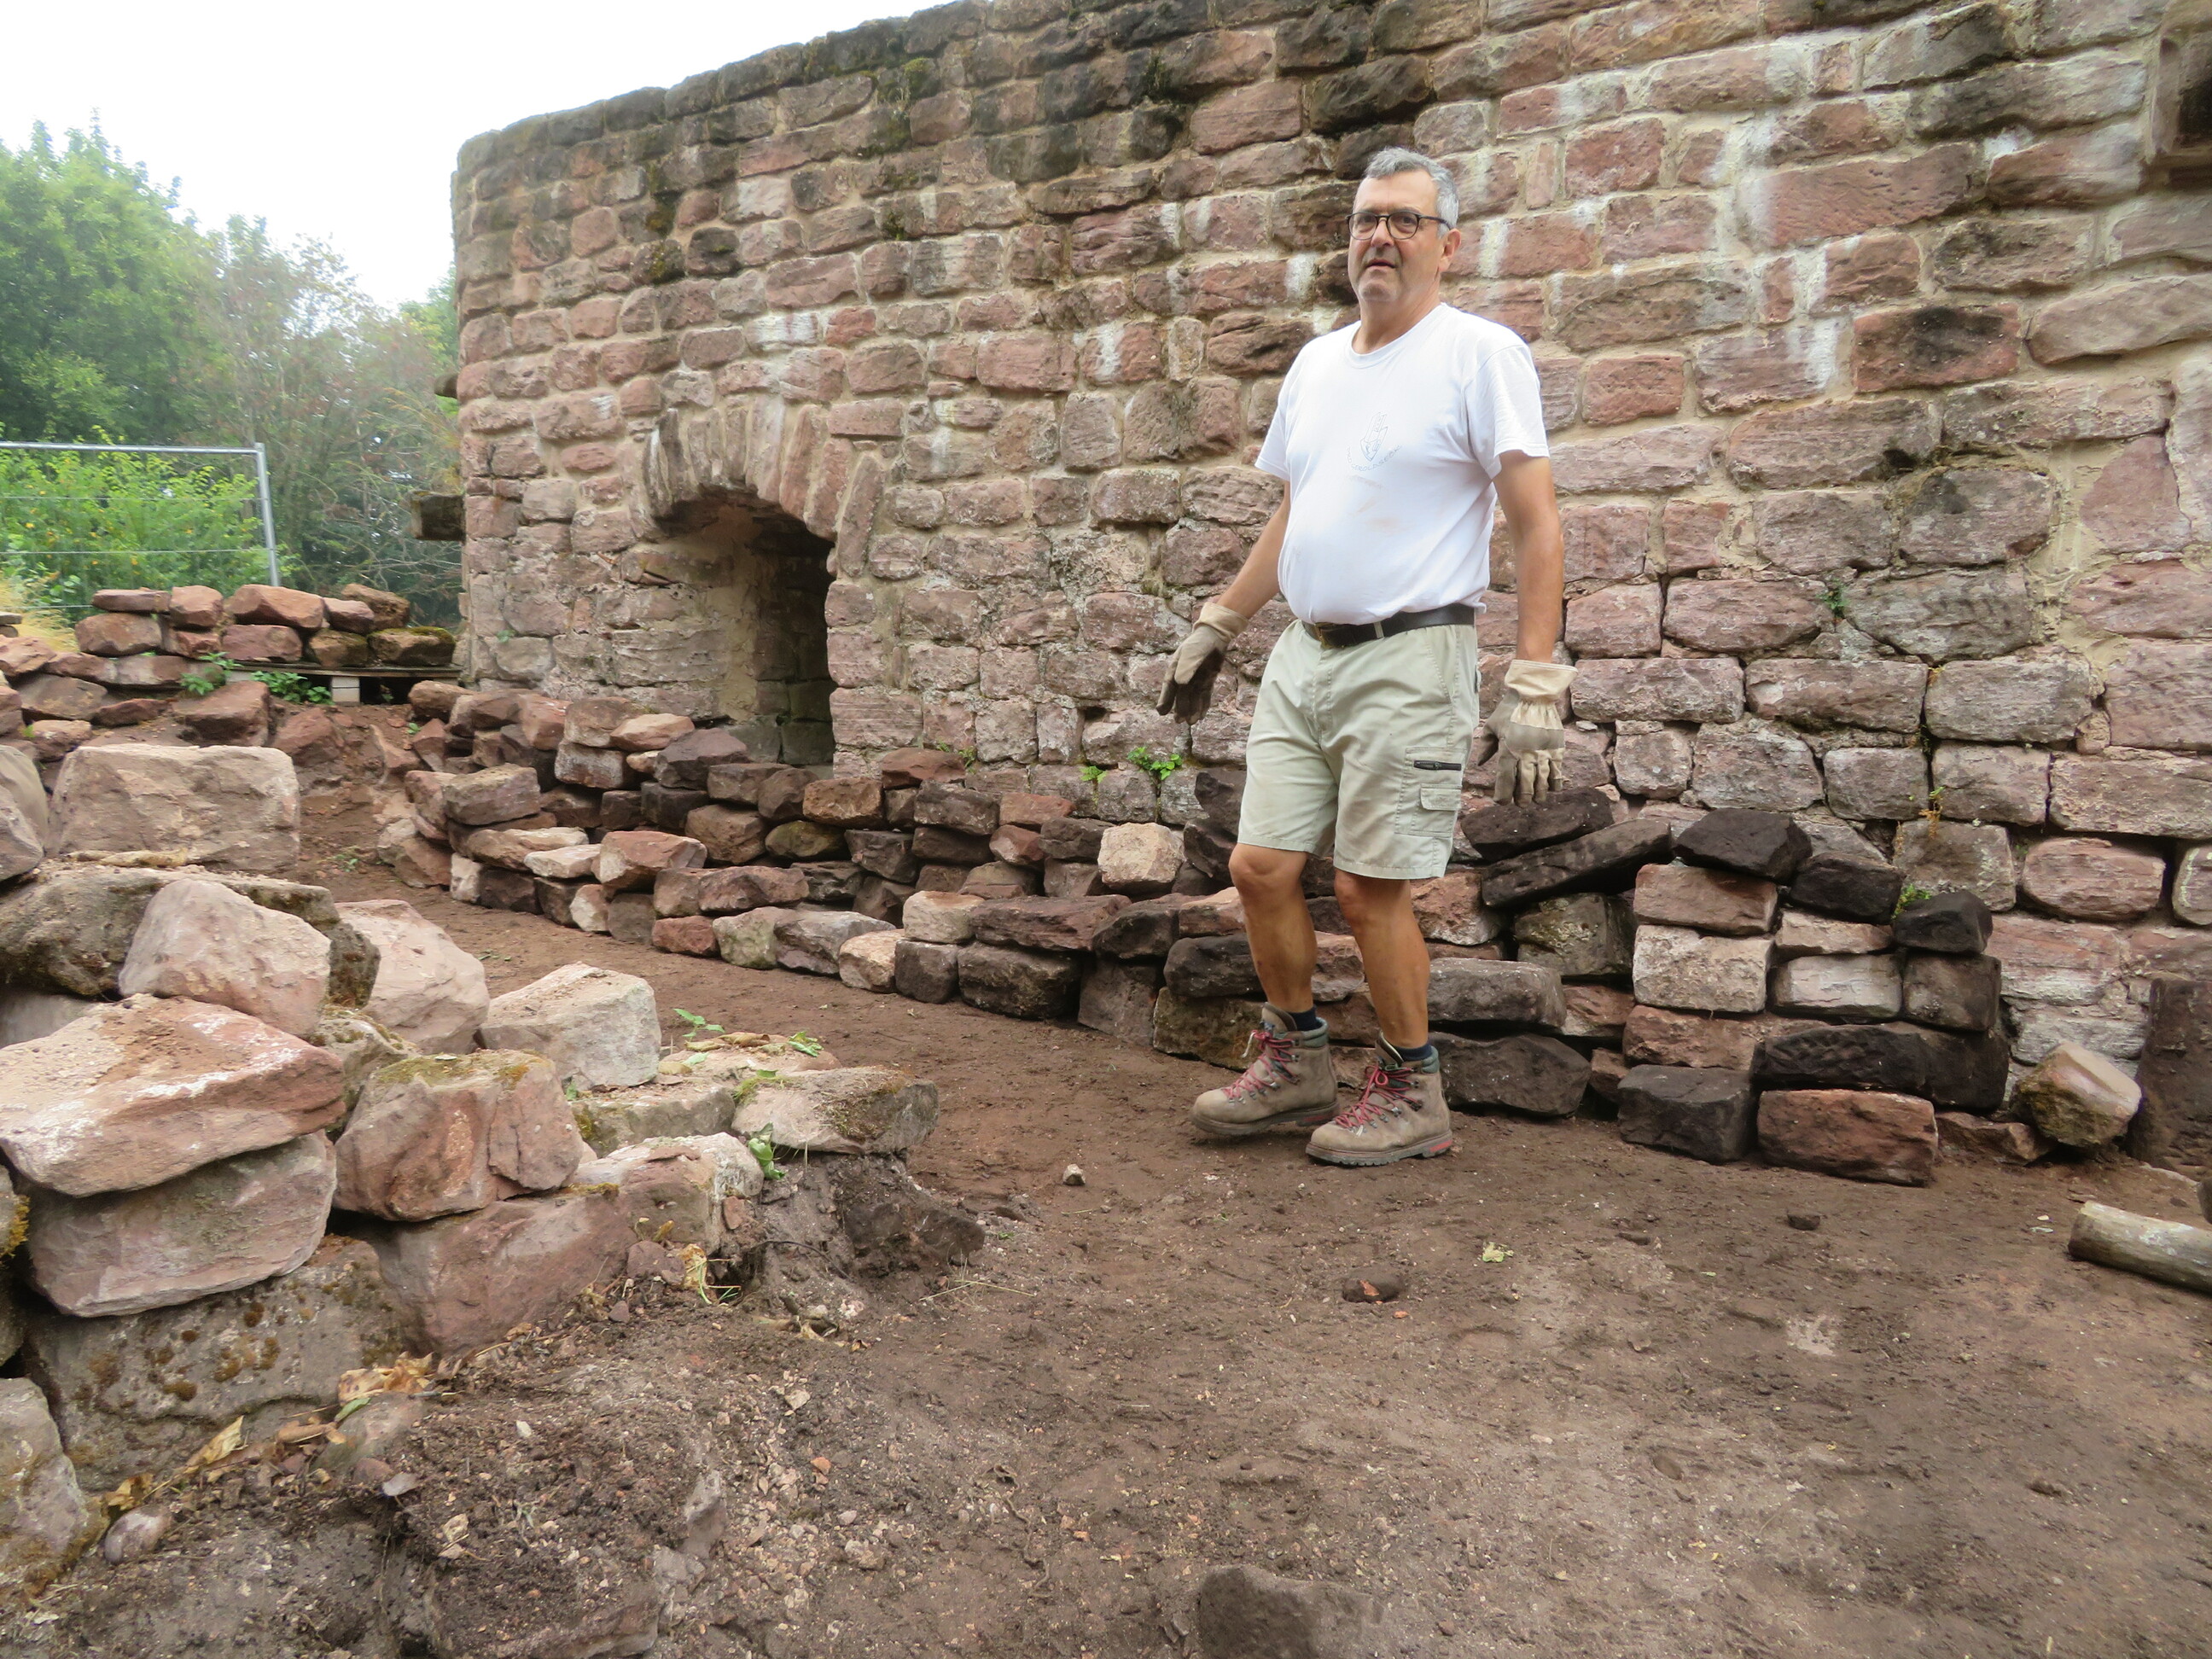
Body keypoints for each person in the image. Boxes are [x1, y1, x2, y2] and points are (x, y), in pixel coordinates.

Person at [1155, 147, 1573, 1169]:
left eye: (1404, 220)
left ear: (1448, 245)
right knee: (1260, 867)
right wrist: (1220, 621)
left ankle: (1412, 1090)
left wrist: (1535, 682)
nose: (1379, 236)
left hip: (1411, 653)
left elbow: (1537, 523)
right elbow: (1297, 512)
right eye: (1365, 220)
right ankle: (1296, 1063)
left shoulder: (1480, 355)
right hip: (1306, 655)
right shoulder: (1316, 365)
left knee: (1367, 889)